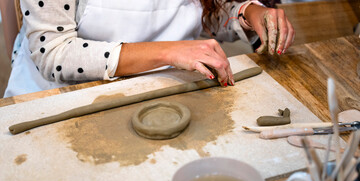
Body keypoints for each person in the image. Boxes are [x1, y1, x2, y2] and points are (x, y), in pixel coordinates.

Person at [4, 0, 294, 97]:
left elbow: (203, 15)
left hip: (162, 89)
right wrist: (168, 52)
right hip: (62, 95)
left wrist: (246, 13)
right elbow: (54, 53)